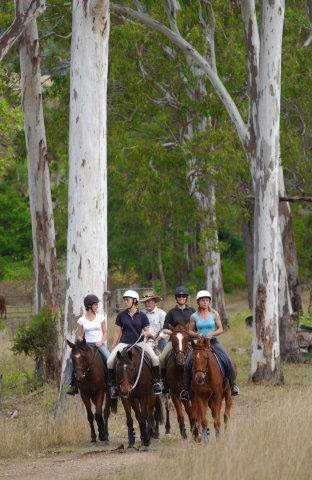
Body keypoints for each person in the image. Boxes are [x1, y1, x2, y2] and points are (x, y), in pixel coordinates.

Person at [180, 290, 239, 401]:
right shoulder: (194, 316)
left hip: (213, 342)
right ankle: (186, 390)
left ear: (209, 302)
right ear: (198, 302)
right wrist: (198, 334)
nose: (205, 302)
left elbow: (221, 328)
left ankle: (232, 385)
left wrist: (212, 334)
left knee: (227, 359)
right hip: (199, 344)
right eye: (203, 300)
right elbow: (189, 331)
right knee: (188, 362)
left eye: (207, 300)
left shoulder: (214, 314)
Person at [107, 289, 162, 398]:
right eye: (124, 300)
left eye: (127, 300)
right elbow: (117, 333)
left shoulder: (142, 315)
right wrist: (113, 348)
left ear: (134, 301)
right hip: (124, 343)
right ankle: (113, 387)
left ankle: (156, 383)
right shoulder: (121, 315)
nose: (125, 302)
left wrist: (145, 333)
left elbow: (147, 330)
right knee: (109, 361)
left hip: (140, 343)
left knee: (155, 359)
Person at [67, 294, 110, 395]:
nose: (97, 306)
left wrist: (101, 341)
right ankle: (73, 385)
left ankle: (111, 384)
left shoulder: (100, 318)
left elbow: (106, 333)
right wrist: (81, 339)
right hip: (86, 346)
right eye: (95, 305)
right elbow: (79, 335)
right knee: (73, 360)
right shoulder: (81, 320)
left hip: (99, 344)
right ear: (90, 306)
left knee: (109, 359)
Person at [159, 286, 195, 394]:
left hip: (189, 340)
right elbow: (165, 329)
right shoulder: (171, 312)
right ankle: (165, 384)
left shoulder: (192, 311)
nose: (181, 298)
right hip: (174, 341)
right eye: (179, 296)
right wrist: (174, 333)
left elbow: (196, 327)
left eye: (184, 296)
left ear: (186, 298)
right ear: (176, 298)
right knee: (161, 358)